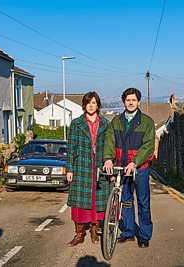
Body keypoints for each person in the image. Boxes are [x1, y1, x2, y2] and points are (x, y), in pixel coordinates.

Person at [103, 87, 155, 248]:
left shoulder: (147, 122)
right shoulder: (116, 121)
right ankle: (128, 232)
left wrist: (135, 162)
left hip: (140, 168)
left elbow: (148, 146)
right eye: (128, 100)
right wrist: (108, 159)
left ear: (138, 102)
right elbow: (110, 142)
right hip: (122, 167)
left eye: (133, 100)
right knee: (125, 201)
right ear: (124, 102)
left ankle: (145, 236)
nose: (131, 102)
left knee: (143, 202)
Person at [66, 91, 111, 246]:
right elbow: (71, 147)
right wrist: (69, 169)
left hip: (100, 166)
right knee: (80, 202)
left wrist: (110, 164)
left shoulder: (106, 124)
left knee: (97, 200)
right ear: (84, 105)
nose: (91, 105)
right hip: (81, 167)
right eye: (88, 103)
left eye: (94, 102)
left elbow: (110, 147)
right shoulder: (76, 124)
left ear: (98, 105)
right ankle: (79, 233)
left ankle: (94, 229)